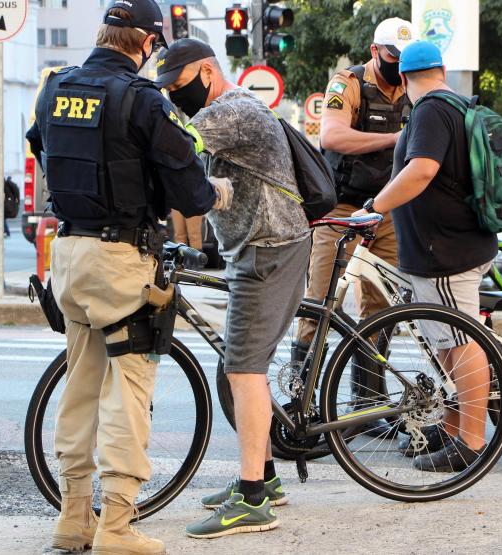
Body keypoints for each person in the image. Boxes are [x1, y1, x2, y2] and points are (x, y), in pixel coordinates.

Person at [25, 2, 222, 553]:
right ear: (144, 43)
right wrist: (212, 193)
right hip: (121, 261)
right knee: (127, 394)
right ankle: (115, 525)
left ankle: (71, 518)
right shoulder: (140, 100)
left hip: (68, 255)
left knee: (81, 386)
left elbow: (41, 145)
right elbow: (190, 189)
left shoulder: (54, 86)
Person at [154, 38, 311, 539]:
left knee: (243, 370)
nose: (175, 97)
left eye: (178, 87)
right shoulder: (233, 109)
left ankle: (251, 501)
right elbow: (217, 187)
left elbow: (171, 144)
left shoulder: (229, 112)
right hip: (258, 246)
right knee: (241, 367)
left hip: (270, 247)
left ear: (206, 72)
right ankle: (263, 477)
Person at [352, 41, 498, 472]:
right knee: (446, 345)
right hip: (445, 247)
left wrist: (373, 207)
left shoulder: (433, 109)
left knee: (460, 344)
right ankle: (453, 428)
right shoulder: (450, 103)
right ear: (442, 69)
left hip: (446, 252)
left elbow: (421, 170)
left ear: (402, 77)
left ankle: (470, 442)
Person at [297, 17, 414, 436]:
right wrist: (395, 139)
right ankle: (300, 402)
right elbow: (333, 137)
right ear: (374, 50)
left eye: (404, 59)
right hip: (343, 210)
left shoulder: (412, 87)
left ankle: (367, 407)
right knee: (318, 304)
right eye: (391, 57)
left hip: (387, 213)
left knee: (380, 312)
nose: (397, 66)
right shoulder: (346, 83)